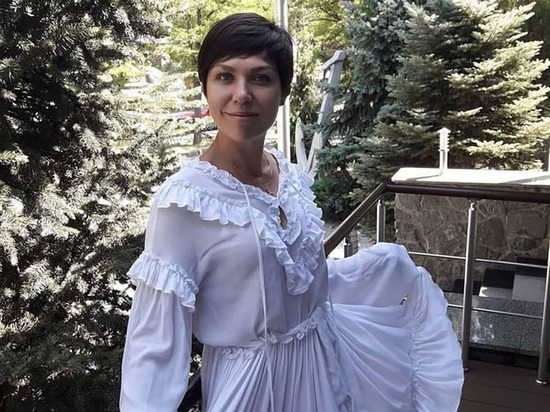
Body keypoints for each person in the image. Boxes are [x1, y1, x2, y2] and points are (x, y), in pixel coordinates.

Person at [119, 13, 464, 412]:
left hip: (322, 365)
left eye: (260, 78)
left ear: (283, 91)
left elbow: (300, 283)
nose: (242, 94)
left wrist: (378, 271)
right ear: (205, 88)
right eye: (225, 76)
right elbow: (155, 343)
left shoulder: (290, 177)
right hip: (250, 389)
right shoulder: (185, 203)